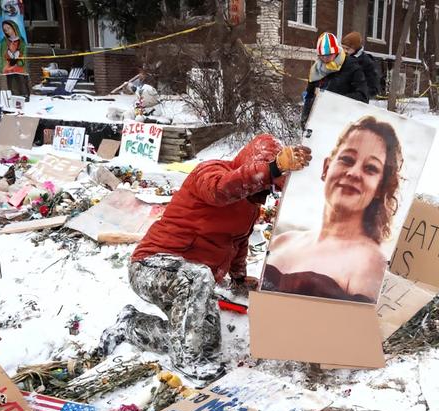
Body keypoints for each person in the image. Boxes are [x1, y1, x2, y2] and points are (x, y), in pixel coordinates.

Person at [99, 135, 312, 378]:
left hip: (192, 279)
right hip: (152, 265)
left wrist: (239, 278)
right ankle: (187, 363)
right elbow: (221, 191)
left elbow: (238, 243)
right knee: (196, 279)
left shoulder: (250, 208)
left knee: (205, 345)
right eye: (267, 181)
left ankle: (130, 325)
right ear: (253, 164)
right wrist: (272, 168)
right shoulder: (210, 172)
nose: (266, 189)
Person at [263, 116, 403, 303]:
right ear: (326, 168)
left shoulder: (371, 265)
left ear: (380, 188)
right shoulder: (281, 241)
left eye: (370, 168)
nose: (353, 173)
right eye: (347, 159)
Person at [301, 32, 368, 128]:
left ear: (336, 52)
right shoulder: (316, 70)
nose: (324, 59)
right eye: (321, 56)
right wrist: (305, 119)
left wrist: (335, 100)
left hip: (342, 122)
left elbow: (363, 96)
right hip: (320, 121)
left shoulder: (352, 67)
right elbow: (309, 96)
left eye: (328, 55)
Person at [341, 32, 381, 101]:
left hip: (357, 102)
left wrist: (360, 94)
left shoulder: (367, 62)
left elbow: (374, 87)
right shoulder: (342, 58)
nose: (345, 51)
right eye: (343, 48)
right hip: (341, 99)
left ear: (355, 48)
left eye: (347, 49)